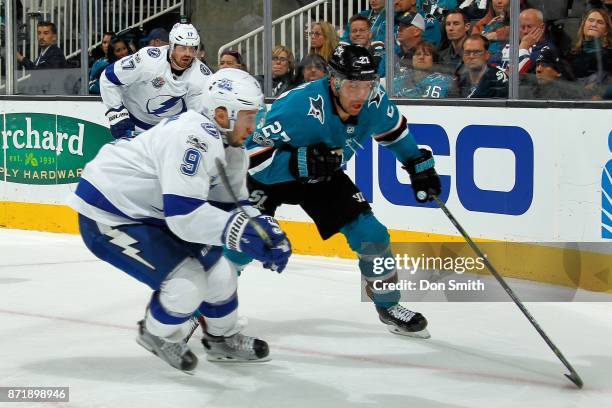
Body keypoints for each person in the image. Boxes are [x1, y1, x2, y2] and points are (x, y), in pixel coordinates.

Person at [67, 68, 292, 372]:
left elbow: (232, 207)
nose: (254, 125)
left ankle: (221, 340)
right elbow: (184, 216)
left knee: (222, 274)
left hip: (153, 211)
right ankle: (156, 334)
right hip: (109, 212)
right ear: (223, 114)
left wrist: (264, 231)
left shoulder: (234, 152)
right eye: (249, 116)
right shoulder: (193, 135)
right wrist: (242, 232)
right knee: (186, 286)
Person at [245, 45, 441, 338]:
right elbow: (251, 157)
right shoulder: (299, 106)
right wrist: (299, 162)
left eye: (367, 85)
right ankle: (203, 309)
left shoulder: (374, 100)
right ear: (334, 80)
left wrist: (417, 164)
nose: (361, 94)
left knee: (373, 235)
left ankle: (388, 304)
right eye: (352, 85)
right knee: (240, 242)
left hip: (322, 175)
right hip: (268, 178)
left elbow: (395, 133)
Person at [100, 23, 214, 138]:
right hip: (133, 124)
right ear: (172, 45)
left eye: (192, 48)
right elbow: (108, 78)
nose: (188, 54)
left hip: (168, 133)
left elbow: (197, 117)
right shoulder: (147, 60)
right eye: (183, 48)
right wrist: (117, 115)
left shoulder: (202, 76)